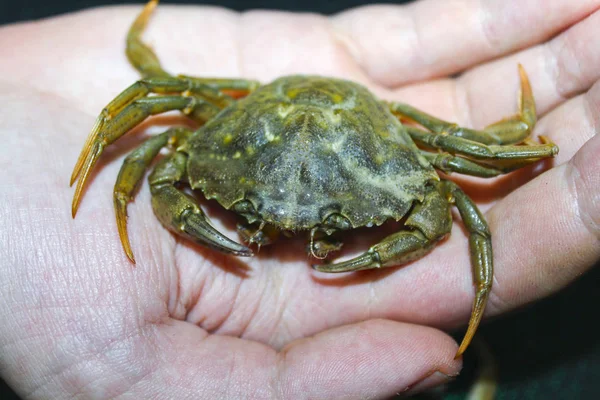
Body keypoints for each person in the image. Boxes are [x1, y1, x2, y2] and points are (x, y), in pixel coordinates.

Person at [0, 1, 598, 398]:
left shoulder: (408, 154)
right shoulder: (188, 136)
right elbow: (151, 117)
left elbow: (475, 183)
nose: (287, 232)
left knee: (466, 204)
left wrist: (529, 137)